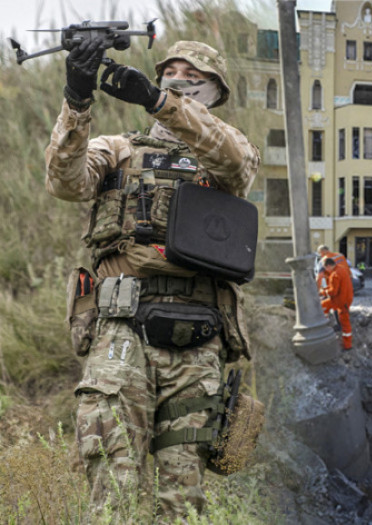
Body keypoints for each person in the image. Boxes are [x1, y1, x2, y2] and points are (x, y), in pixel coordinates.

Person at [46, 39, 260, 517]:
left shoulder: (228, 152)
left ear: (216, 91)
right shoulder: (117, 150)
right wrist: (77, 101)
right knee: (112, 479)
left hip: (198, 340)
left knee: (183, 498)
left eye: (193, 74)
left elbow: (237, 166)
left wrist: (160, 103)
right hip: (121, 329)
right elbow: (65, 181)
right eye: (170, 71)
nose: (178, 78)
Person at [319, 257, 354, 350]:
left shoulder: (335, 274)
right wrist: (326, 290)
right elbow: (334, 287)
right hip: (343, 298)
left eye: (325, 268)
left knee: (345, 322)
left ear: (329, 266)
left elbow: (333, 291)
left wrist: (322, 292)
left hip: (341, 301)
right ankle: (325, 324)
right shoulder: (341, 269)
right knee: (322, 305)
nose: (325, 271)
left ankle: (347, 345)